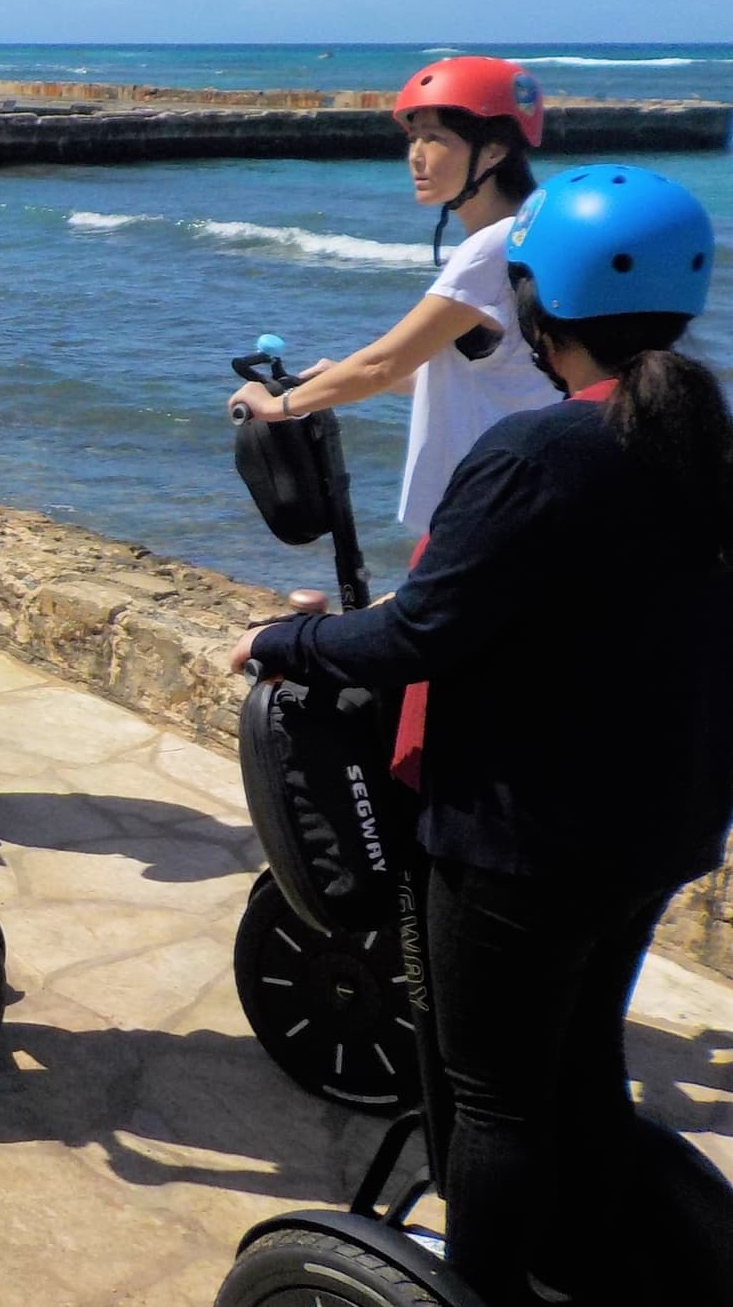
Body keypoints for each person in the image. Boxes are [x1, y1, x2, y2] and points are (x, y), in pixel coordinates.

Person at [231, 165, 733, 1305]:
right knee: (580, 1065)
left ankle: (487, 1287)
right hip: (658, 825)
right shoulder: (701, 442)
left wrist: (282, 643)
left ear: (531, 301)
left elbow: (420, 636)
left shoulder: (536, 453)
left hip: (520, 838)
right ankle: (584, 1267)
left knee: (492, 1091)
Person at [228, 56, 555, 538]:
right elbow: (498, 378)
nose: (416, 157)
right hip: (518, 503)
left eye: (436, 139)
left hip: (487, 515)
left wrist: (278, 405)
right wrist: (340, 378)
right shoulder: (535, 233)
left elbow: (381, 362)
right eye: (413, 138)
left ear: (493, 152)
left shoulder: (491, 246)